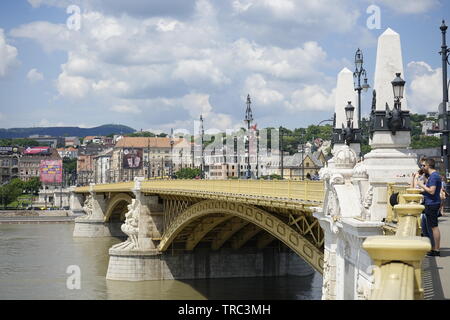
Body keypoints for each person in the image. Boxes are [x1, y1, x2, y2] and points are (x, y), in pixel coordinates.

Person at [417, 158, 441, 257]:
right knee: (431, 226)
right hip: (430, 203)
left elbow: (432, 191)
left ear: (428, 166)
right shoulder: (433, 176)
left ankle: (436, 249)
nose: (422, 167)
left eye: (423, 166)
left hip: (432, 204)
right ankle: (434, 248)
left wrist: (421, 185)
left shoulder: (434, 176)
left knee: (434, 227)